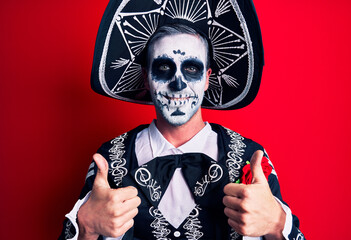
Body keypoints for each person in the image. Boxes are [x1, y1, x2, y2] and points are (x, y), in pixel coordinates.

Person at [59, 1, 305, 240]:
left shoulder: (250, 159)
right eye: (164, 67)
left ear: (207, 78)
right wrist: (86, 228)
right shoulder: (110, 159)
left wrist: (277, 224)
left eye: (191, 68)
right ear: (146, 78)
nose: (178, 84)